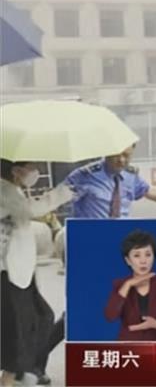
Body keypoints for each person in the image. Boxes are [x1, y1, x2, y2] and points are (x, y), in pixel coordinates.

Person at [1, 160, 73, 387]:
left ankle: (24, 372)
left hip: (19, 270)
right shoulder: (5, 189)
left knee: (40, 319)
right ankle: (14, 377)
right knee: (22, 328)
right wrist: (65, 191)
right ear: (16, 170)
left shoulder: (13, 190)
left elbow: (23, 214)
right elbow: (32, 209)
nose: (36, 172)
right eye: (31, 167)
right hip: (8, 271)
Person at [63, 144, 156, 219]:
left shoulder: (130, 176)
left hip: (122, 238)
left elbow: (149, 191)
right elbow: (57, 197)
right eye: (116, 155)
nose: (121, 160)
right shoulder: (85, 175)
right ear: (106, 153)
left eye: (126, 155)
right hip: (90, 238)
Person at [105, 230, 156, 341]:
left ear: (154, 257)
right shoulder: (120, 285)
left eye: (148, 255)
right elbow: (110, 316)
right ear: (128, 260)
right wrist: (128, 285)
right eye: (137, 255)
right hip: (127, 352)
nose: (143, 261)